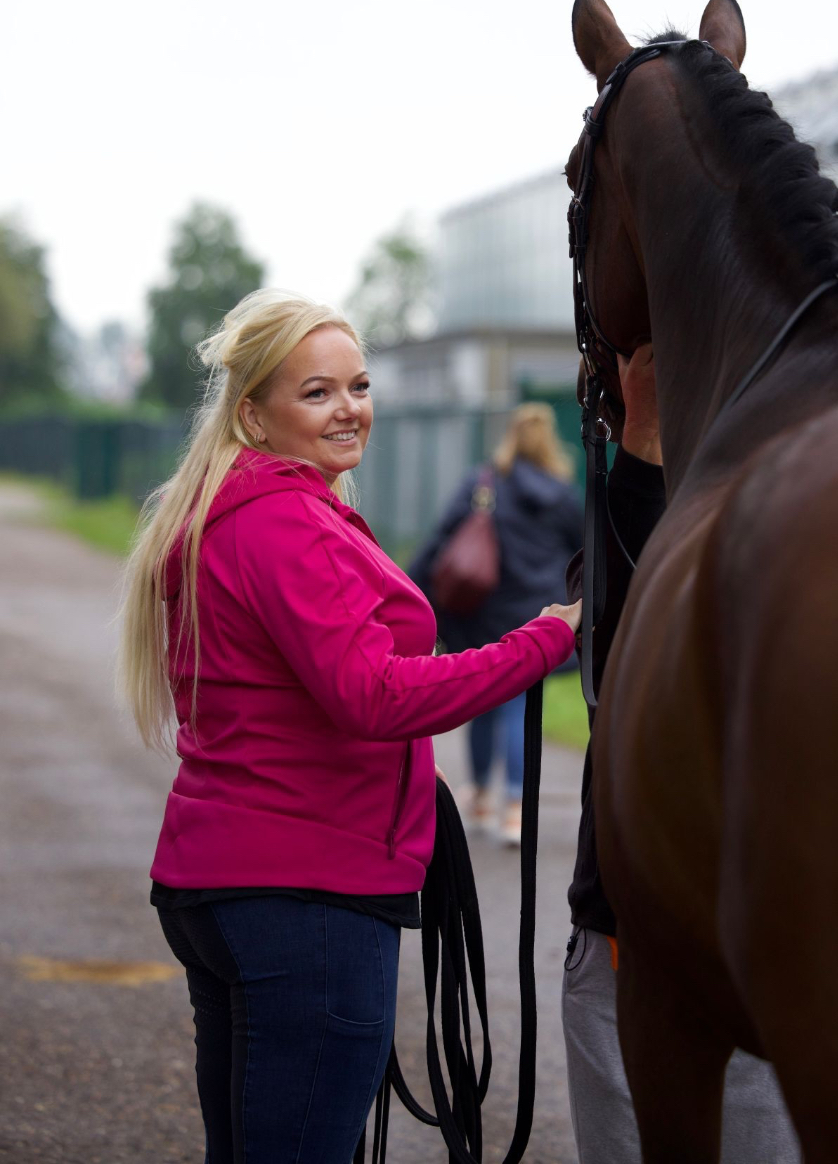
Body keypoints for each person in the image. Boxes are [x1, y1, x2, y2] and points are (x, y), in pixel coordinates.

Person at [117, 289, 579, 1164]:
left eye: (358, 386)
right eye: (317, 392)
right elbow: (374, 695)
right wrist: (542, 640)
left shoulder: (240, 510)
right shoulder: (284, 520)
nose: (349, 409)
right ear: (253, 415)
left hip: (237, 881)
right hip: (304, 894)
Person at [562, 347, 800, 1164]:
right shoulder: (626, 522)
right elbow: (608, 627)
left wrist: (642, 447)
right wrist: (639, 453)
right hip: (634, 936)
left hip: (747, 941)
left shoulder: (796, 533)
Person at [408, 402, 582, 844]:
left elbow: (441, 538)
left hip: (485, 611)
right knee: (520, 706)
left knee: (484, 701)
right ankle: (515, 812)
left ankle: (483, 799)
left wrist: (411, 588)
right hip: (540, 612)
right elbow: (585, 548)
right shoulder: (561, 494)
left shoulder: (481, 484)